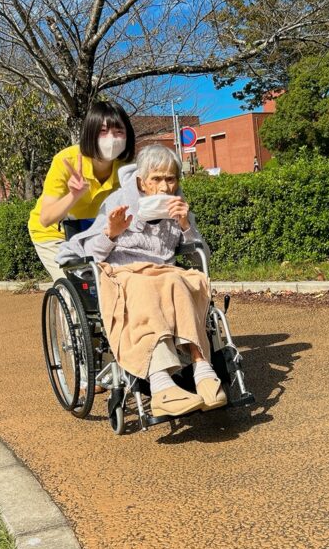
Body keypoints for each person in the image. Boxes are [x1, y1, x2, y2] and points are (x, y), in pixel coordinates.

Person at [57, 144, 226, 418]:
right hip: (124, 275)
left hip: (163, 274)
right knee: (145, 286)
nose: (164, 186)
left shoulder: (177, 207)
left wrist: (185, 225)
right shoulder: (117, 202)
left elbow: (199, 257)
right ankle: (161, 386)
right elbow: (90, 256)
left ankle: (202, 368)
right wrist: (110, 233)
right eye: (156, 179)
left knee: (181, 281)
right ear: (141, 181)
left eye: (170, 178)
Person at [28, 100, 136, 281]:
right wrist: (73, 195)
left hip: (92, 233)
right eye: (103, 131)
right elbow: (46, 219)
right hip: (54, 235)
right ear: (89, 134)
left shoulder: (125, 169)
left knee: (115, 280)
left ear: (128, 136)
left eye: (119, 131)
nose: (111, 138)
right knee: (77, 285)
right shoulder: (66, 160)